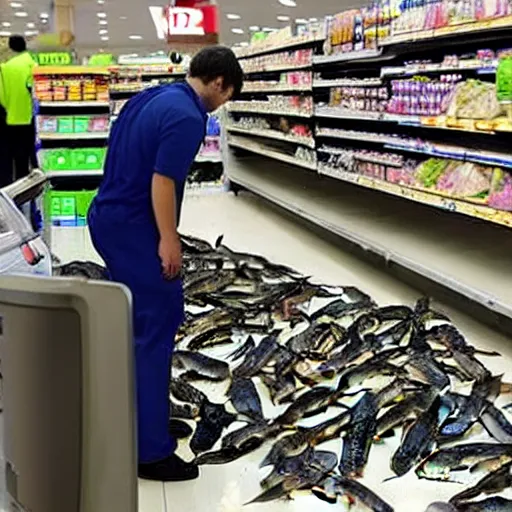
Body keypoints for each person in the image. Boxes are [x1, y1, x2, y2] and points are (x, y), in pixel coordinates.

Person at [88, 46, 243, 482]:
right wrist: (169, 240)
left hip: (110, 215)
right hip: (137, 227)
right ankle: (150, 451)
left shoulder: (153, 96)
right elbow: (162, 181)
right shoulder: (188, 117)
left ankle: (144, 418)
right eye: (227, 95)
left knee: (138, 324)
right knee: (157, 323)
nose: (222, 103)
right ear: (219, 83)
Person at [0, 35, 36, 185]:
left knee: (9, 163)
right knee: (27, 163)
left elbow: (1, 97)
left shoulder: (6, 68)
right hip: (30, 119)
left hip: (9, 120)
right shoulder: (33, 65)